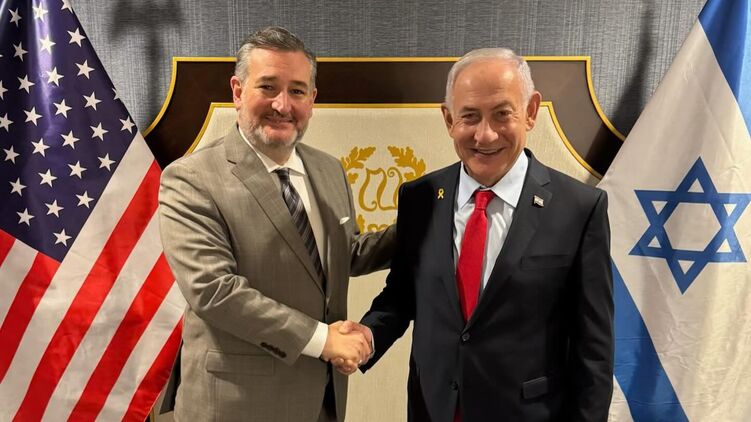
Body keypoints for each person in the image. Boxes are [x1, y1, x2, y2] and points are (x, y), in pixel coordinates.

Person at [340, 48, 614, 421]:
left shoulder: (579, 208)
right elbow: (402, 296)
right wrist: (367, 336)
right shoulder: (420, 198)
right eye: (469, 116)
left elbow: (594, 351)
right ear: (448, 119)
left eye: (502, 114)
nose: (485, 135)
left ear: (531, 111)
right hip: (433, 410)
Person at [158, 26, 394, 422]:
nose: (283, 105)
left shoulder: (329, 169)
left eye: (297, 91)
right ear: (238, 91)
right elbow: (214, 291)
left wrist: (427, 221)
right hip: (235, 405)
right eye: (268, 87)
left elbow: (344, 253)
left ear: (312, 99)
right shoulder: (190, 178)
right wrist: (323, 339)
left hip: (321, 400)